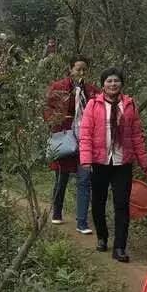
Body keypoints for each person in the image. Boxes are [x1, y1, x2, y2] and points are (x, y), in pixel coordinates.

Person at [79, 67, 147, 263]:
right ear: (103, 84)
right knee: (98, 203)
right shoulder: (93, 105)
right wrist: (85, 160)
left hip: (122, 162)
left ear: (121, 84)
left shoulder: (129, 105)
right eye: (109, 81)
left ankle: (119, 246)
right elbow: (85, 135)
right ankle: (102, 237)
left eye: (116, 81)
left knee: (121, 204)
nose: (113, 84)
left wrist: (145, 163)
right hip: (99, 161)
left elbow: (137, 136)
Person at [44, 56, 99, 232]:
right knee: (62, 177)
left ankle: (81, 222)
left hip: (85, 139)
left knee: (84, 179)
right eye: (78, 69)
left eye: (84, 70)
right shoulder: (59, 87)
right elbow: (46, 109)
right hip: (65, 137)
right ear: (71, 69)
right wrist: (56, 119)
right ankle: (57, 211)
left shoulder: (91, 90)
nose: (81, 73)